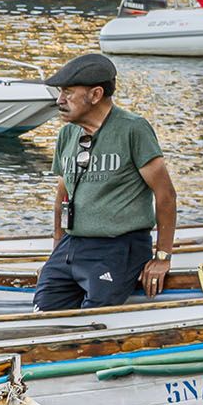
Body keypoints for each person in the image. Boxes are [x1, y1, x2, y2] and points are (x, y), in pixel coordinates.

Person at [34, 52, 177, 312]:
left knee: (94, 320)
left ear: (96, 94)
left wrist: (162, 257)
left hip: (119, 248)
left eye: (68, 92)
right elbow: (62, 196)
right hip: (71, 246)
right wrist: (56, 250)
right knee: (42, 315)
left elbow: (165, 195)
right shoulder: (67, 134)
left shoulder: (133, 129)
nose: (60, 100)